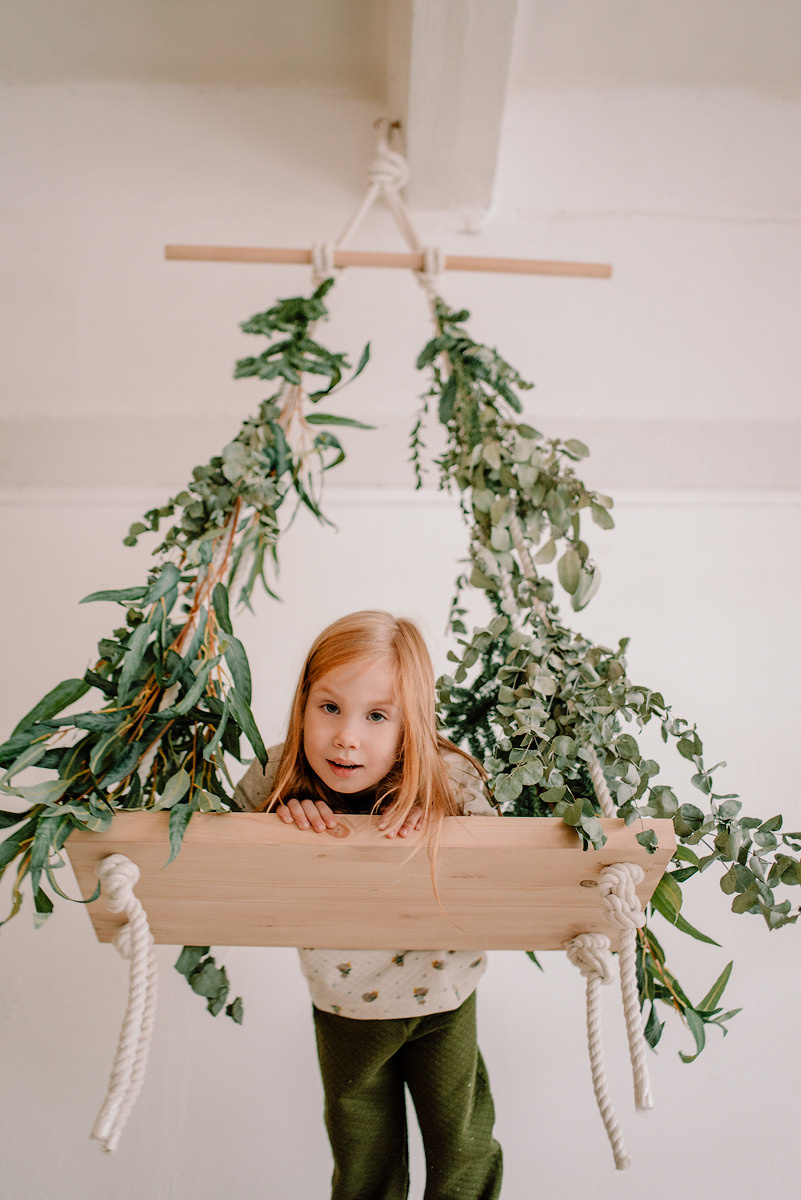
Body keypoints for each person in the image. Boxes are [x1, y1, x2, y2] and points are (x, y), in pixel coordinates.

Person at [235, 610, 503, 1200]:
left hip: (443, 994)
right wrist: (280, 822)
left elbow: (499, 854)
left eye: (377, 716)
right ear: (303, 703)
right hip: (344, 1001)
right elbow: (225, 836)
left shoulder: (447, 777)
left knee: (461, 1147)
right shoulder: (276, 775)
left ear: (412, 726)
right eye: (329, 707)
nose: (346, 736)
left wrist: (442, 816)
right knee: (363, 1160)